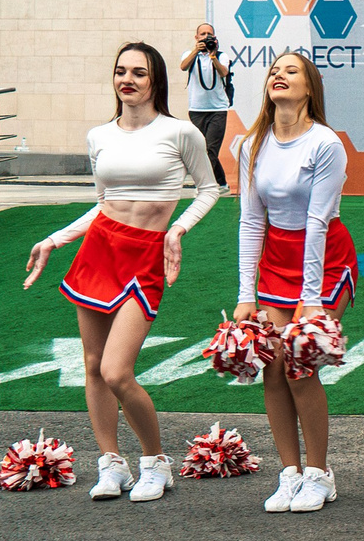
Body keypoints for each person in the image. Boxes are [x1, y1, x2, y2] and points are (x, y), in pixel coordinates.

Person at [23, 43, 219, 504]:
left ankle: (155, 462)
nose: (127, 79)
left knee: (116, 371)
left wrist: (178, 230)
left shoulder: (180, 132)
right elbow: (102, 203)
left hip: (145, 256)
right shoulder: (99, 136)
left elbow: (209, 189)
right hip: (98, 252)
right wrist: (56, 239)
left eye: (139, 72)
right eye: (120, 71)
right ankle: (111, 462)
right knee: (93, 366)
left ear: (156, 81)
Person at [232, 52, 356, 514]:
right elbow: (251, 221)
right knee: (272, 365)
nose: (278, 75)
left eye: (291, 70)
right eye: (274, 70)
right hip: (276, 260)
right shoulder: (251, 144)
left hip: (325, 261)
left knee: (299, 365)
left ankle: (320, 474)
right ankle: (290, 473)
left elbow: (318, 221)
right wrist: (246, 294)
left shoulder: (326, 143)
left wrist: (311, 298)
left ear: (309, 87)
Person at [180, 24, 232, 187]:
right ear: (196, 37)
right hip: (197, 109)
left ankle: (204, 185)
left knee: (210, 150)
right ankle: (221, 183)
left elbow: (223, 72)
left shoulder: (221, 56)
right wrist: (196, 51)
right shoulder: (190, 55)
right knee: (201, 149)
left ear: (214, 37)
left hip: (217, 109)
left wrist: (213, 56)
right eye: (202, 34)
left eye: (209, 34)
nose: (206, 36)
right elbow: (183, 67)